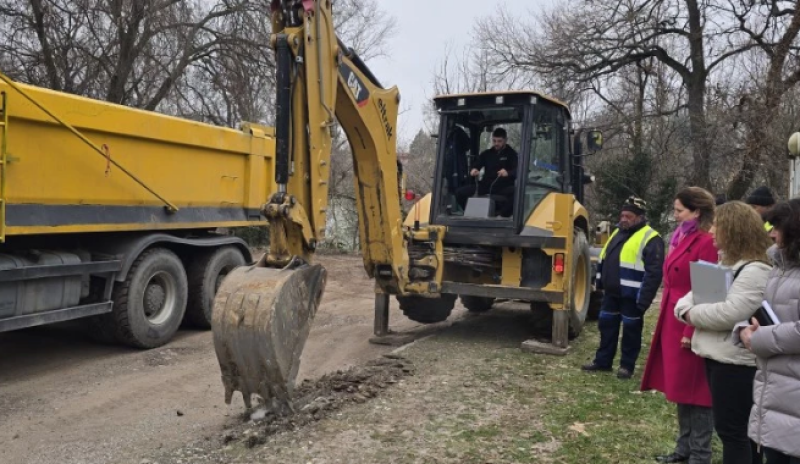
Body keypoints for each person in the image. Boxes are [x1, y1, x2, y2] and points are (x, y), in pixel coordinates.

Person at [674, 201, 773, 464]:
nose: (712, 232)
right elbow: (687, 298)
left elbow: (728, 313)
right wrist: (687, 310)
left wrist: (690, 315)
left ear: (734, 230)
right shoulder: (725, 264)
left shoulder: (755, 270)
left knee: (733, 432)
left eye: (717, 226)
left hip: (735, 364)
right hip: (718, 357)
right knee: (733, 431)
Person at [641, 186, 718, 464]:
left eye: (679, 210)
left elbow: (709, 292)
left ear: (696, 211)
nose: (674, 216)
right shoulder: (681, 238)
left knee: (698, 392)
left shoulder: (706, 242)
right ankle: (683, 449)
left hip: (691, 323)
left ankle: (700, 454)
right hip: (673, 319)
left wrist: (691, 329)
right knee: (681, 390)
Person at [734, 199, 800, 463]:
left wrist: (759, 338)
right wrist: (743, 329)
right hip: (776, 390)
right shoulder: (780, 269)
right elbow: (767, 313)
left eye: (777, 227)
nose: (771, 233)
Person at [582, 196, 664, 379]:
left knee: (631, 333)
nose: (624, 219)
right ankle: (603, 362)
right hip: (611, 294)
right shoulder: (618, 232)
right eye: (623, 215)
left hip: (632, 296)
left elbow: (654, 273)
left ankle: (627, 366)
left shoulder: (652, 238)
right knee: (607, 328)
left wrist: (644, 300)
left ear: (640, 217)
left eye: (629, 216)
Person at [455, 127, 518, 216]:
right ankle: (471, 214)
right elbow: (477, 164)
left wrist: (508, 173)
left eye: (499, 141)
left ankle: (501, 215)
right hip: (486, 185)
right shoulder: (487, 154)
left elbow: (518, 171)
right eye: (494, 141)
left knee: (517, 193)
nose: (496, 143)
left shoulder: (512, 154)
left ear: (505, 140)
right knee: (460, 193)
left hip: (503, 187)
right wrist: (474, 169)